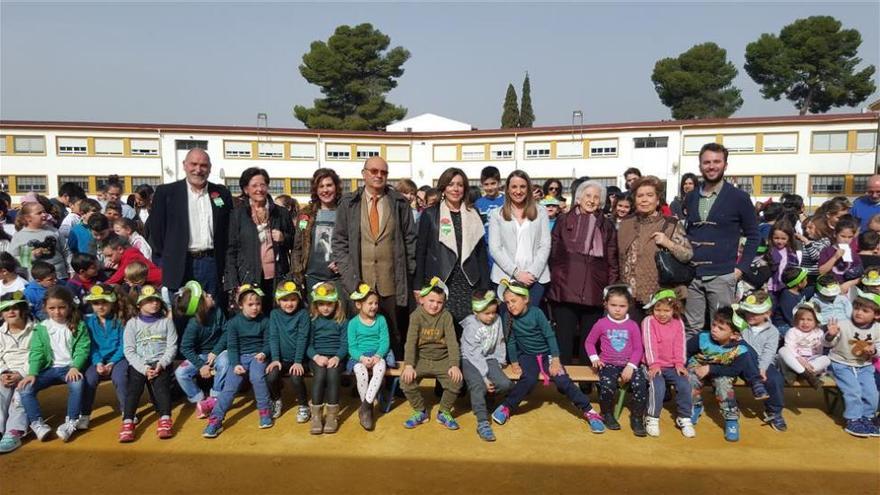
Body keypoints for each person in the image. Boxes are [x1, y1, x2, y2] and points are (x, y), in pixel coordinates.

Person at [490, 280, 606, 433]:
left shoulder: (537, 313)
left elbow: (550, 336)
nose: (510, 305)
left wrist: (556, 360)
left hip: (548, 354)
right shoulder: (507, 316)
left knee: (562, 380)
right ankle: (507, 406)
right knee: (529, 379)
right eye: (507, 302)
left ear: (525, 299)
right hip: (526, 355)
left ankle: (590, 412)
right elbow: (510, 341)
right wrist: (515, 362)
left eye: (514, 301)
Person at [332, 156, 416, 360]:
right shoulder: (349, 203)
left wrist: (409, 271)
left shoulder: (399, 203)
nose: (379, 175)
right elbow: (339, 242)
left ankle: (393, 385)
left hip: (392, 282)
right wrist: (348, 276)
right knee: (362, 335)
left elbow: (411, 239)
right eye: (374, 171)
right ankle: (362, 383)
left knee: (395, 333)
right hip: (359, 282)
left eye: (383, 172)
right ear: (364, 174)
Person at [684, 143, 760, 336]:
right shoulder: (691, 197)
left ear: (725, 164)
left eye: (716, 162)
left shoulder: (739, 197)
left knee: (721, 328)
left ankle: (720, 365)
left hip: (723, 274)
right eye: (707, 162)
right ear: (700, 165)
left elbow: (753, 235)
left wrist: (740, 269)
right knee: (691, 328)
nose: (711, 166)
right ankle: (691, 365)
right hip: (693, 275)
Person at [547, 180, 618, 367]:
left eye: (596, 197)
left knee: (590, 341)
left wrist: (609, 288)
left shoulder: (606, 225)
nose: (592, 200)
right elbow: (554, 252)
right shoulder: (564, 220)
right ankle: (564, 382)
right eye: (588, 195)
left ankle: (587, 383)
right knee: (564, 338)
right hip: (565, 287)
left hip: (594, 289)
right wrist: (557, 279)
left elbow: (612, 259)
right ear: (579, 198)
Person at [147, 148, 233, 299]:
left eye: (203, 165)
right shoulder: (166, 193)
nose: (198, 170)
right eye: (193, 164)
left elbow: (227, 229)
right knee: (182, 314)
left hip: (211, 263)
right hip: (180, 263)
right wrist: (167, 261)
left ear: (210, 168)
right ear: (184, 165)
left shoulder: (221, 193)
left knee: (211, 312)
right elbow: (156, 232)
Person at [415, 167, 489, 330]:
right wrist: (418, 285)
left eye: (460, 185)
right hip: (442, 279)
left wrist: (485, 286)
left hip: (469, 281)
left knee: (469, 330)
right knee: (444, 329)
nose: (455, 189)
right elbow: (421, 252)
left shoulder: (473, 212)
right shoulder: (430, 214)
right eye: (450, 184)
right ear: (443, 187)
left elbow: (481, 253)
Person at [687, 306, 770, 442]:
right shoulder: (702, 338)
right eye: (714, 324)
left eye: (721, 328)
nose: (714, 329)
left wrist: (711, 369)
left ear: (734, 335)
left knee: (723, 383)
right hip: (699, 367)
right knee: (689, 378)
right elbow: (687, 351)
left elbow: (735, 370)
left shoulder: (740, 349)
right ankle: (695, 405)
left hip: (722, 371)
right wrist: (685, 366)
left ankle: (731, 419)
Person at [18, 286, 90, 442]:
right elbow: (36, 352)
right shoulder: (41, 328)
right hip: (48, 369)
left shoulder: (79, 325)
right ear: (45, 308)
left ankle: (71, 421)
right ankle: (37, 423)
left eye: (62, 307)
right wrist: (32, 373)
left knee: (77, 384)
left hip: (69, 368)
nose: (57, 312)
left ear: (69, 307)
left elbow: (82, 349)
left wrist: (75, 367)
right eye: (52, 308)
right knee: (25, 389)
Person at [618, 176, 693, 321]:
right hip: (630, 297)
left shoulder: (670, 224)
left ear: (658, 200)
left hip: (661, 298)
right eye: (640, 196)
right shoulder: (626, 224)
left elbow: (688, 254)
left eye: (649, 195)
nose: (644, 199)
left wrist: (668, 243)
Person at [203, 284, 273, 438]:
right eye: (250, 304)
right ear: (241, 305)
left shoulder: (265, 321)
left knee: (257, 378)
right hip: (240, 357)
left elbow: (269, 342)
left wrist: (263, 353)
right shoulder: (234, 323)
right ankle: (215, 419)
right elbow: (232, 346)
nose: (255, 308)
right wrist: (235, 364)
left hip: (258, 356)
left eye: (258, 304)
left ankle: (265, 411)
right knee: (229, 388)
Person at [225, 167, 293, 312]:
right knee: (252, 317)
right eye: (254, 185)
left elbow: (294, 243)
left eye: (263, 185)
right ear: (246, 189)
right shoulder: (237, 215)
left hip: (277, 276)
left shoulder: (281, 213)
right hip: (248, 277)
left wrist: (283, 238)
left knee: (275, 315)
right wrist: (233, 282)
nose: (259, 189)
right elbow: (231, 251)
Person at [585, 285, 648, 436]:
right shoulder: (601, 323)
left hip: (629, 365)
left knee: (641, 384)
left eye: (622, 306)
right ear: (606, 304)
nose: (618, 309)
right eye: (613, 305)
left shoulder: (632, 326)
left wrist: (631, 366)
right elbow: (589, 342)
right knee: (607, 384)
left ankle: (637, 418)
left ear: (629, 306)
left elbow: (638, 349)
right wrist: (594, 358)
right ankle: (607, 414)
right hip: (608, 364)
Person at [400, 278, 463, 430]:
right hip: (421, 358)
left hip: (442, 358)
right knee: (405, 382)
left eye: (439, 302)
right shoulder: (416, 316)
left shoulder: (446, 316)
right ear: (422, 300)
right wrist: (409, 365)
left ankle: (444, 412)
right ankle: (420, 411)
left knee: (457, 382)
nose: (435, 305)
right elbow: (410, 342)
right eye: (431, 301)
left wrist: (454, 365)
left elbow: (453, 343)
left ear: (444, 303)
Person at [119, 285, 177, 442]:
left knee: (162, 389)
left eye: (157, 300)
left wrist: (162, 363)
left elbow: (172, 347)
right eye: (149, 301)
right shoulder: (132, 324)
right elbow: (129, 350)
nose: (154, 304)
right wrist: (144, 368)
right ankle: (128, 422)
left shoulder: (166, 322)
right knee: (134, 389)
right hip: (140, 364)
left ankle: (165, 419)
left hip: (160, 363)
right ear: (139, 304)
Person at [489, 170, 551, 309]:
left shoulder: (541, 212)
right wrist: (516, 273)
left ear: (528, 188)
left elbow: (545, 245)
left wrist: (532, 273)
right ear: (507, 189)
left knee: (529, 323)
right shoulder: (496, 214)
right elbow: (495, 248)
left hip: (535, 279)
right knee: (508, 323)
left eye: (522, 187)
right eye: (514, 187)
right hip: (505, 277)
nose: (518, 191)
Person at [825, 289, 879, 437]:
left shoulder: (878, 329)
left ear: (876, 315)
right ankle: (853, 419)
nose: (858, 312)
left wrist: (874, 350)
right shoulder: (842, 324)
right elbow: (827, 344)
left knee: (872, 393)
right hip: (841, 364)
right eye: (856, 308)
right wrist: (830, 335)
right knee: (853, 391)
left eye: (865, 310)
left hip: (865, 366)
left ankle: (867, 418)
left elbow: (879, 347)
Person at [640, 290, 693, 438]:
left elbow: (680, 345)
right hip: (652, 364)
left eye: (666, 310)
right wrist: (654, 364)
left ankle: (684, 417)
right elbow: (649, 344)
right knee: (658, 386)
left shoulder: (678, 323)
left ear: (674, 310)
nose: (662, 314)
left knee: (684, 384)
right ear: (652, 309)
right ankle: (652, 417)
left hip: (672, 365)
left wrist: (679, 363)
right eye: (658, 309)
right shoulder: (649, 321)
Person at [173, 281, 229, 419]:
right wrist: (200, 365)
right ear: (201, 305)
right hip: (201, 357)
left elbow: (227, 332)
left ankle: (215, 397)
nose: (210, 295)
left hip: (219, 352)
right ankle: (200, 399)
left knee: (225, 362)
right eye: (205, 295)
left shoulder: (218, 312)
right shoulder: (193, 325)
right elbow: (185, 347)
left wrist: (216, 351)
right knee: (180, 372)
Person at [460, 289, 511, 442]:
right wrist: (485, 377)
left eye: (493, 312)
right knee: (479, 386)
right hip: (470, 359)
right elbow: (474, 354)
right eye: (487, 313)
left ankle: (489, 399)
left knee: (505, 384)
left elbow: (500, 340)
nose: (491, 316)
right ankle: (482, 422)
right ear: (476, 311)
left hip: (489, 358)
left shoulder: (497, 319)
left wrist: (500, 361)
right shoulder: (471, 326)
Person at [78, 284, 130, 431]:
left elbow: (123, 344)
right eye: (95, 303)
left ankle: (127, 411)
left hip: (119, 358)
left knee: (120, 378)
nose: (100, 307)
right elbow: (92, 346)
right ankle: (85, 414)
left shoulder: (120, 320)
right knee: (89, 379)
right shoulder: (88, 322)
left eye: (104, 302)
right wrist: (98, 362)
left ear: (112, 302)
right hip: (98, 360)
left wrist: (112, 362)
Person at [734, 292, 787, 432]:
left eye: (755, 313)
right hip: (741, 363)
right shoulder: (740, 325)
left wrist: (762, 368)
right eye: (748, 312)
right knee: (744, 350)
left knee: (775, 379)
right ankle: (731, 404)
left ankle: (774, 411)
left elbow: (769, 352)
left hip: (762, 363)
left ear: (767, 313)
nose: (751, 315)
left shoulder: (773, 332)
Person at [292, 168, 343, 295]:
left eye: (329, 185)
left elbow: (353, 244)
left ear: (336, 187)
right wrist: (298, 274)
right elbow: (298, 247)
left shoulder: (345, 212)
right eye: (321, 186)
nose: (325, 190)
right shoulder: (306, 214)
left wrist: (342, 262)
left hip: (338, 278)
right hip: (312, 278)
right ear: (316, 190)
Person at [265, 280, 311, 424]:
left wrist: (298, 362)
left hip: (300, 359)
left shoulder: (303, 314)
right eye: (285, 300)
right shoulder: (274, 314)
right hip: (281, 359)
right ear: (278, 300)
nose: (289, 304)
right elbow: (273, 337)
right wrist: (275, 359)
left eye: (292, 299)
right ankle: (276, 399)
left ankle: (304, 405)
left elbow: (302, 338)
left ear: (298, 299)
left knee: (296, 377)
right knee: (271, 377)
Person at [347, 284, 390, 431]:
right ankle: (367, 409)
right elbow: (352, 346)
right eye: (370, 303)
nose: (374, 306)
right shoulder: (353, 323)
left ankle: (365, 407)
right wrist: (362, 358)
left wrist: (378, 355)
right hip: (359, 357)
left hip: (377, 354)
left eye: (376, 303)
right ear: (359, 304)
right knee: (361, 372)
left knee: (380, 369)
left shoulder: (381, 320)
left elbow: (385, 341)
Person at [306, 282, 348, 435]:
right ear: (316, 305)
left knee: (332, 375)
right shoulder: (312, 321)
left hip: (336, 358)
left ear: (335, 304)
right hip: (318, 358)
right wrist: (316, 357)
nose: (325, 308)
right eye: (321, 304)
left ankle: (332, 415)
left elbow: (345, 344)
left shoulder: (342, 321)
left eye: (329, 304)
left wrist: (337, 357)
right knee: (320, 375)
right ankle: (316, 415)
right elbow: (308, 345)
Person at [0, 292, 34, 453]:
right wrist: (3, 372)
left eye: (15, 308)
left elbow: (38, 355)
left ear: (23, 309)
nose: (11, 312)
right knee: (1, 391)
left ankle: (14, 431)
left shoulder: (36, 330)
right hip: (5, 372)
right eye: (6, 309)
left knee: (20, 393)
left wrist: (21, 373)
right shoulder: (0, 333)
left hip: (28, 372)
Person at [8, 202, 71, 281]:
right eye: (39, 213)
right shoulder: (20, 236)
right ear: (28, 218)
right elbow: (14, 260)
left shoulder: (54, 231)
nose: (44, 215)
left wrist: (71, 271)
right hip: (37, 281)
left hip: (59, 277)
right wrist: (32, 255)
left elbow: (66, 252)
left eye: (44, 212)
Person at [778, 302, 830, 389]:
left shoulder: (819, 332)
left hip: (811, 361)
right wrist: (799, 359)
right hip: (795, 360)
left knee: (826, 359)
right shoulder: (792, 331)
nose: (805, 322)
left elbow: (823, 346)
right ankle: (805, 374)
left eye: (809, 320)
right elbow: (789, 347)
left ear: (816, 321)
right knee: (782, 350)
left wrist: (830, 335)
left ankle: (798, 373)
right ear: (796, 320)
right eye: (802, 319)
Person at [475, 166, 505, 271]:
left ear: (499, 183)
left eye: (493, 183)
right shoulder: (478, 203)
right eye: (486, 184)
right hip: (486, 247)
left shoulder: (507, 201)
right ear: (482, 185)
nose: (490, 187)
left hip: (504, 246)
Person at [818, 215, 862, 283]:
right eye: (843, 236)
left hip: (846, 288)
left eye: (850, 237)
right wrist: (835, 257)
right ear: (835, 234)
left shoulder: (854, 254)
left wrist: (848, 284)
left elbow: (859, 274)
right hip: (829, 287)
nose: (846, 240)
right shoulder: (827, 251)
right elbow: (821, 271)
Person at [771, 267, 809, 333]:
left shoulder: (797, 291)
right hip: (783, 325)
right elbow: (791, 319)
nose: (807, 281)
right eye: (805, 279)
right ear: (799, 284)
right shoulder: (787, 298)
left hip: (795, 320)